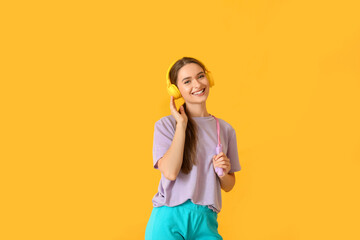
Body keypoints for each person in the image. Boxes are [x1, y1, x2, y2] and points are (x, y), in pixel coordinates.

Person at [145, 57, 242, 240]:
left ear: (209, 79)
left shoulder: (226, 130)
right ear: (176, 89)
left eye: (200, 76)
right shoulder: (166, 125)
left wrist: (223, 173)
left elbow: (229, 185)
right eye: (187, 81)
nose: (197, 84)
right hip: (169, 217)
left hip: (207, 220)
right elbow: (171, 172)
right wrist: (181, 125)